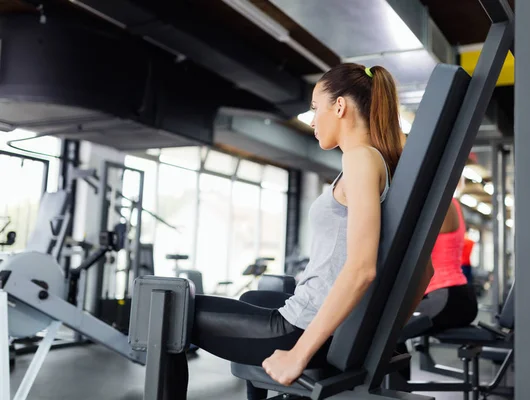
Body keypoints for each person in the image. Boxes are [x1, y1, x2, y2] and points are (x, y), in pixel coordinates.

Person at [163, 63, 435, 400]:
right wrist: (381, 335)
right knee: (253, 298)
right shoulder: (384, 163)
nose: (311, 119)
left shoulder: (360, 159)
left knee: (168, 306)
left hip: (302, 326)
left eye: (315, 108)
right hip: (330, 319)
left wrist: (298, 354)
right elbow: (425, 270)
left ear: (339, 107)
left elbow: (362, 269)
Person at [414, 196, 478, 332]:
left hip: (444, 298)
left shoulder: (440, 202)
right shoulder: (453, 203)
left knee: (386, 328)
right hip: (460, 295)